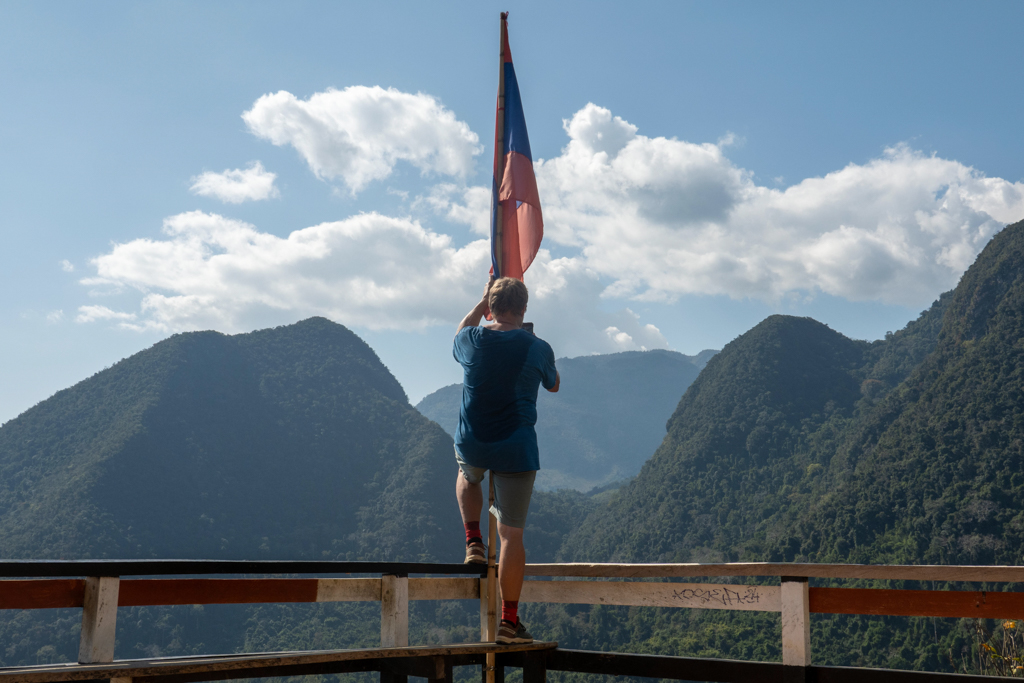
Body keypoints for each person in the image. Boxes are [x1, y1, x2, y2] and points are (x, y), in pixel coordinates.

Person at [452, 276, 559, 645]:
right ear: (524, 309)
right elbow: (554, 384)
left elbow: (460, 330)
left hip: (475, 442)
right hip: (516, 448)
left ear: (490, 308)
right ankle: (509, 624)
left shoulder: (472, 339)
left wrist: (479, 303)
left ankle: (473, 543)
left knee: (467, 469)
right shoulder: (537, 347)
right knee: (512, 535)